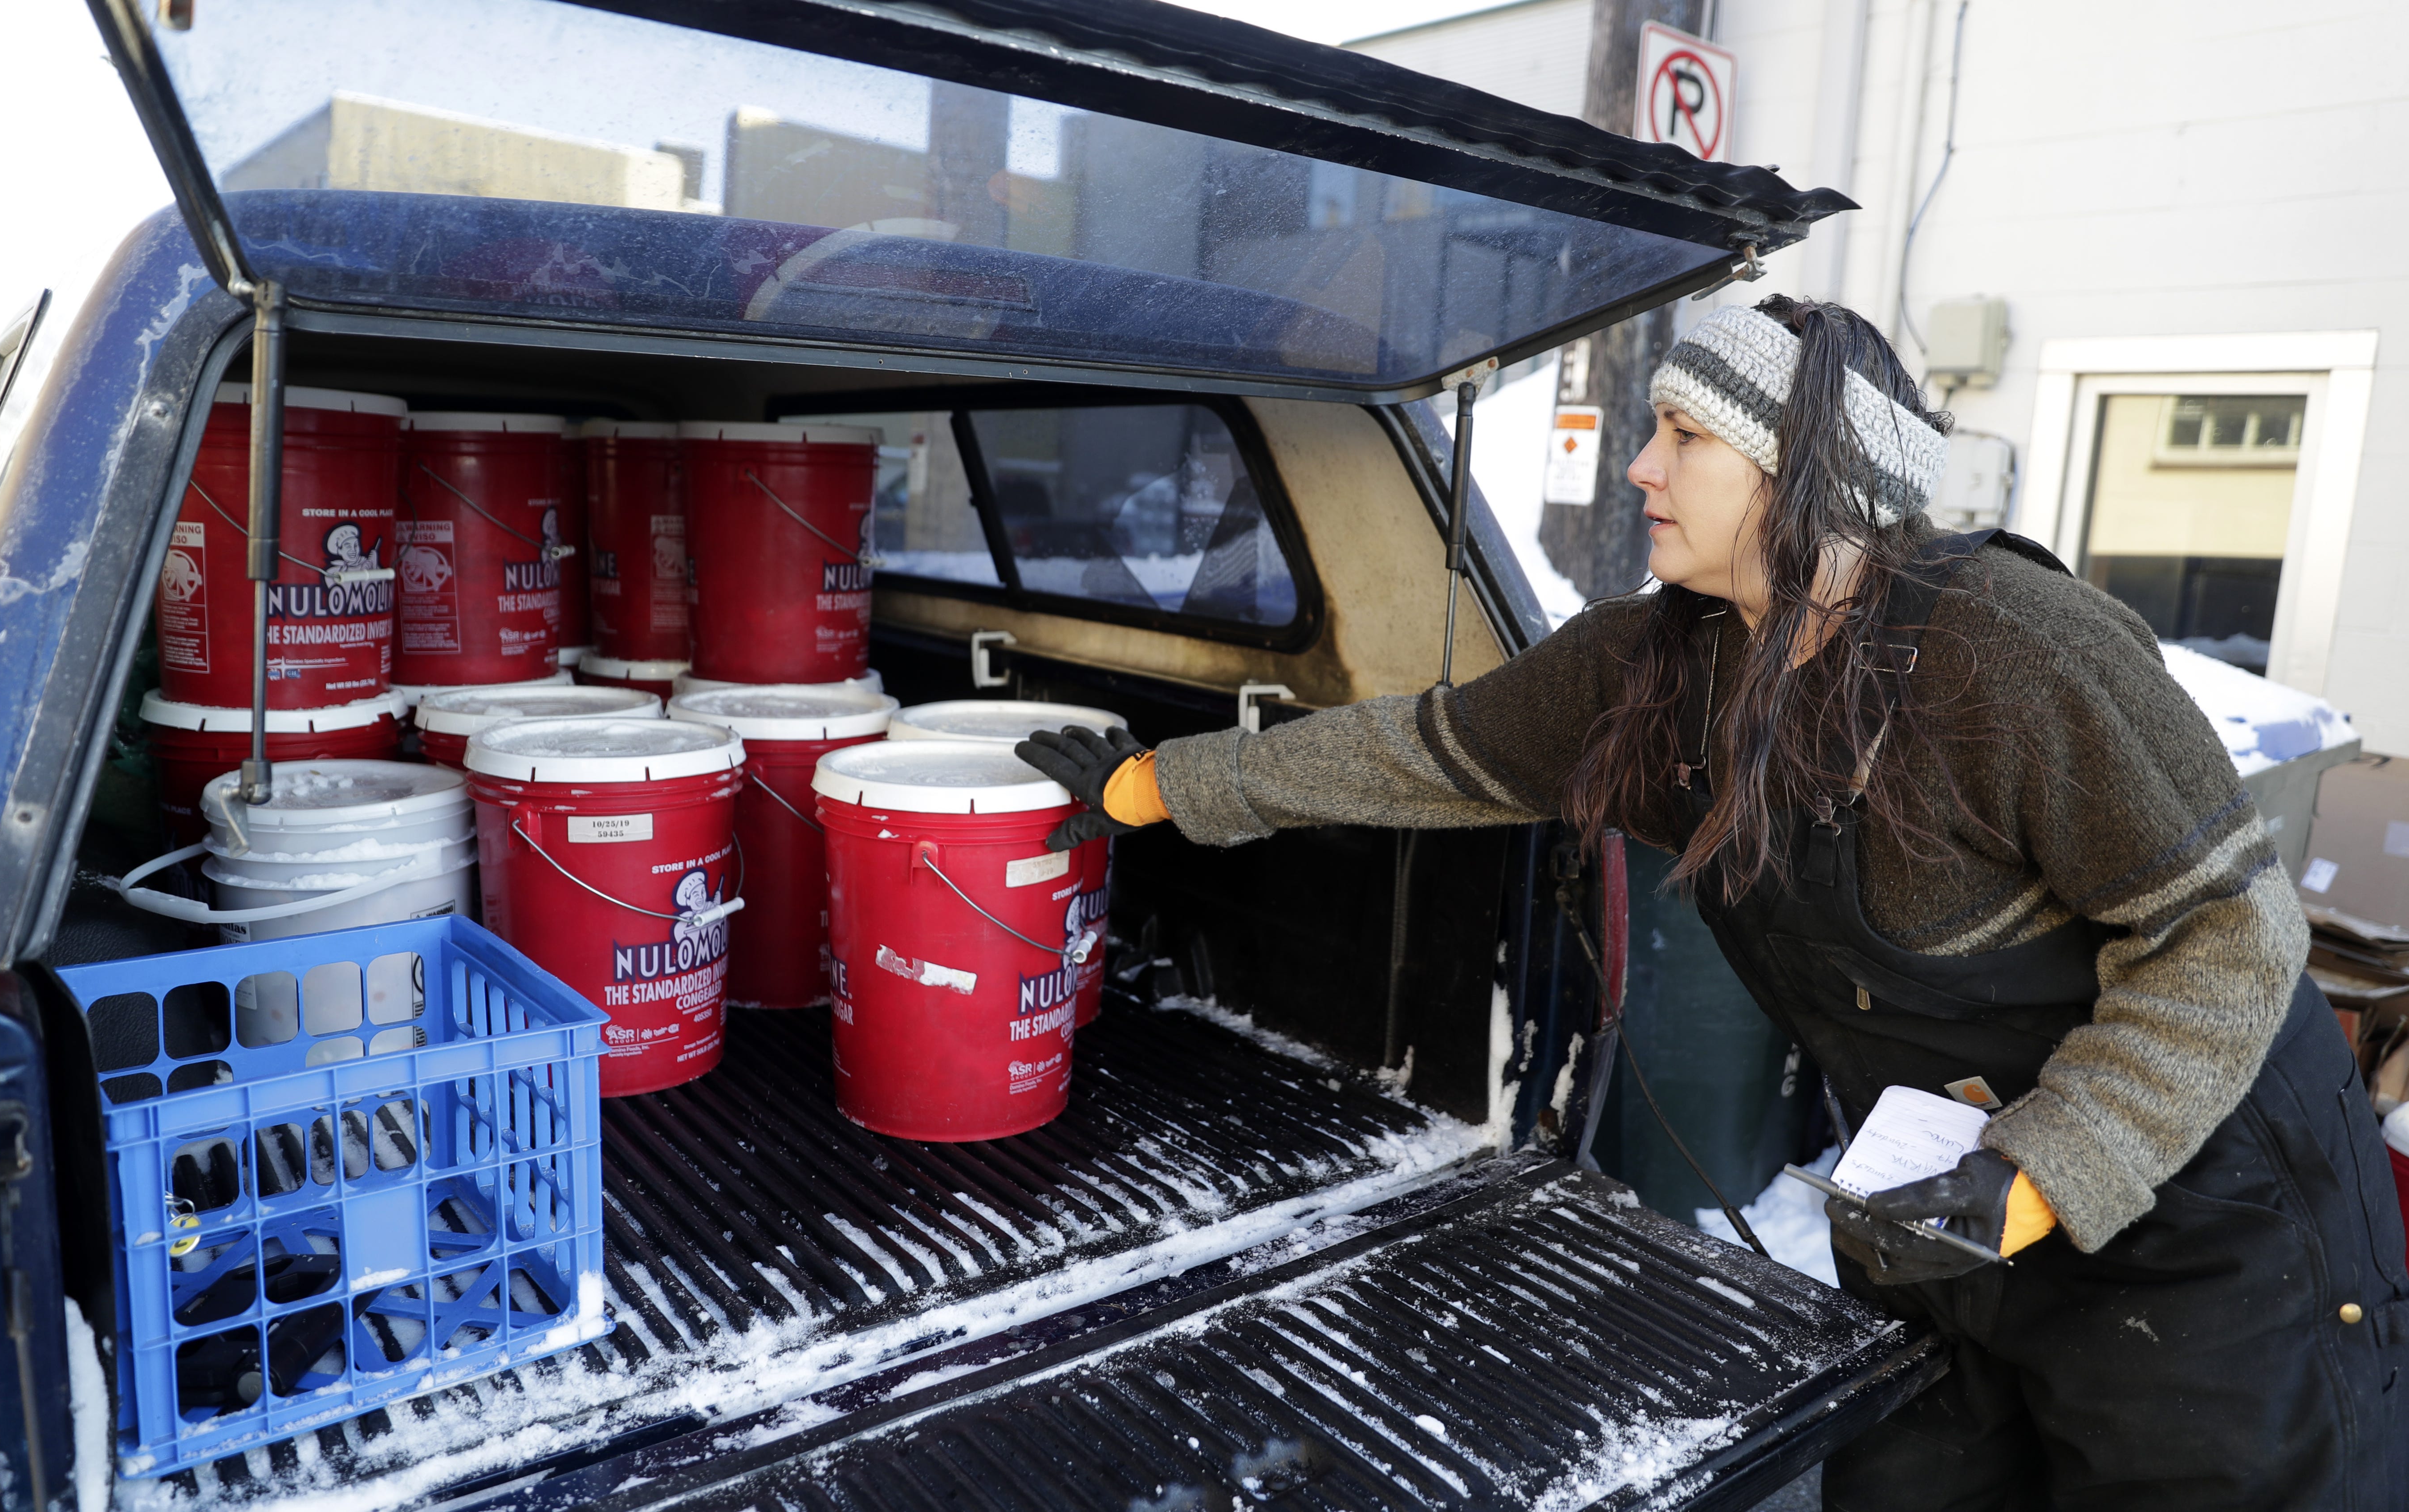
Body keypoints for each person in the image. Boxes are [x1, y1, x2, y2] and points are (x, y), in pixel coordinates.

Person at [1016, 297, 2409, 1510]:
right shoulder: (1660, 664)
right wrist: (1156, 787)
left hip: (2204, 1227)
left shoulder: (2014, 655)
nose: (1639, 464)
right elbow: (1424, 749)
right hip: (1943, 1207)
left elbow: (2229, 932)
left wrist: (2055, 1162)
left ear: (1808, 470)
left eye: (1683, 435)